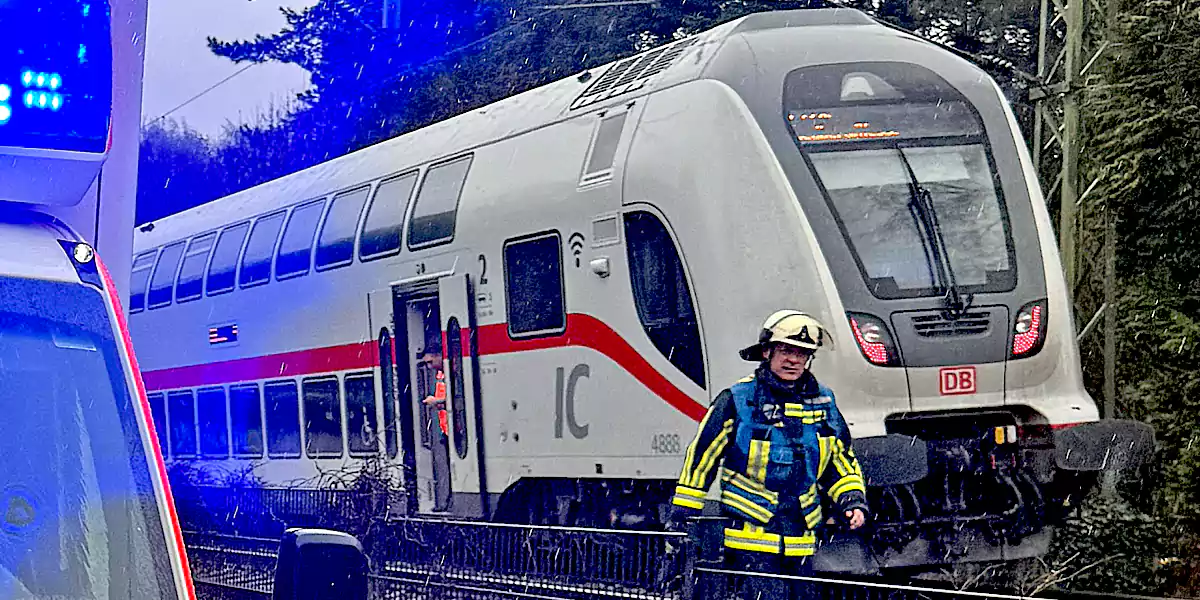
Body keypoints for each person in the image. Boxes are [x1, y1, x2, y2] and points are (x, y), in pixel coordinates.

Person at [668, 310, 869, 598]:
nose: (794, 360)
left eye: (802, 353)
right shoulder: (737, 400)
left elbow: (840, 461)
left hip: (801, 542)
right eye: (787, 350)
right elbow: (702, 460)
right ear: (767, 351)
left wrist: (852, 501)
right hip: (749, 542)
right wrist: (683, 515)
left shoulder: (824, 403)